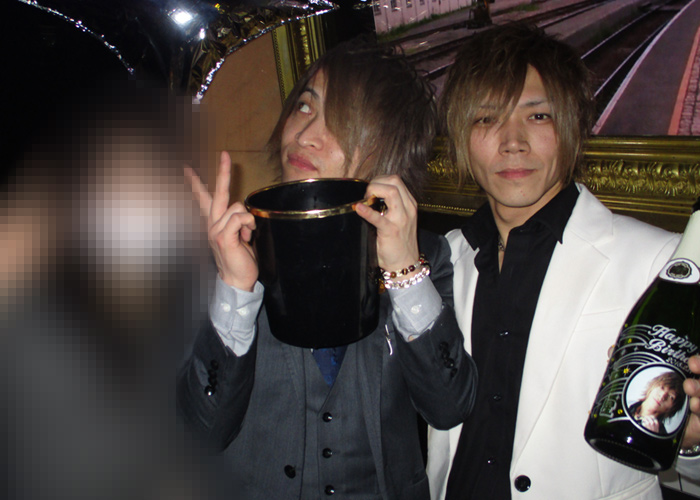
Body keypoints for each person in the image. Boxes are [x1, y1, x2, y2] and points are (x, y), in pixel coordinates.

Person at [177, 39, 477, 499]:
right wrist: (235, 289)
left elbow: (449, 406)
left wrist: (404, 272)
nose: (306, 135)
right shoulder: (224, 251)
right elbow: (203, 430)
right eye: (304, 106)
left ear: (389, 151)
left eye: (341, 122)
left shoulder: (425, 256)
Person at [426, 24, 700, 499]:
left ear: (571, 126)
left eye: (538, 116)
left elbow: (683, 473)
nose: (512, 141)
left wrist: (691, 443)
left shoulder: (661, 262)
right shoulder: (442, 259)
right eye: (486, 118)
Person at [629, 371, 685, 435]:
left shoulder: (663, 436)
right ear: (653, 385)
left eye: (671, 396)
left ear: (673, 408)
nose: (663, 396)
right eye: (662, 388)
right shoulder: (626, 405)